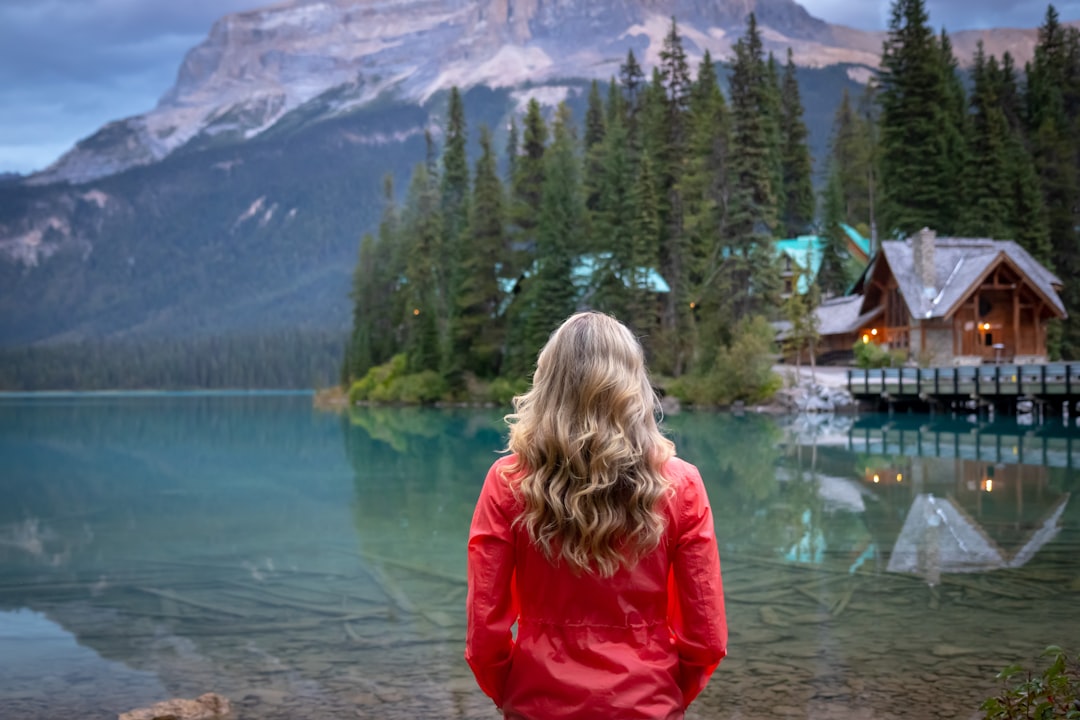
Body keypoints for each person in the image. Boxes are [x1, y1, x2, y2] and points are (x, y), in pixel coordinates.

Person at [466, 312, 727, 719]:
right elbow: (707, 637)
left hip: (538, 703)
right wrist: (661, 693)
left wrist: (514, 693)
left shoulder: (508, 482)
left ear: (547, 384)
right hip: (647, 702)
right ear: (634, 386)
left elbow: (484, 634)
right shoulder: (682, 484)